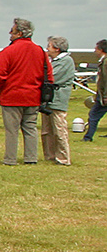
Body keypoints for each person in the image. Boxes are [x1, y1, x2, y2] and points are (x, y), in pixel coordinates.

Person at [0, 17, 52, 165]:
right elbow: (48, 75)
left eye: (13, 30)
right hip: (33, 97)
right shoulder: (40, 52)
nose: (10, 33)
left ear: (20, 33)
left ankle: (10, 159)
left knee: (12, 130)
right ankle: (31, 158)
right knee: (30, 128)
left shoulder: (9, 51)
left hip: (12, 96)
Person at [41, 35, 75, 165]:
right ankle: (49, 156)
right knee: (46, 130)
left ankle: (63, 158)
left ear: (57, 48)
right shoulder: (51, 61)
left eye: (49, 46)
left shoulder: (66, 61)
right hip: (48, 99)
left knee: (59, 129)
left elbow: (52, 77)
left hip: (58, 99)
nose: (47, 49)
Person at [83, 40, 107, 142]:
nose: (94, 51)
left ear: (101, 50)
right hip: (102, 94)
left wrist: (105, 95)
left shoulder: (105, 62)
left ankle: (88, 137)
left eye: (96, 49)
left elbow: (105, 80)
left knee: (93, 115)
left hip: (103, 95)